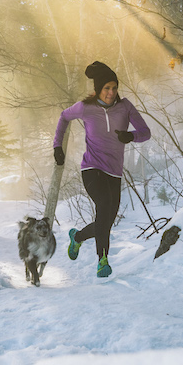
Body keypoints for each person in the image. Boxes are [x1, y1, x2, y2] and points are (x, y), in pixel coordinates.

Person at [53, 61, 151, 278]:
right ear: (98, 89)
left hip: (114, 172)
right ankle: (102, 261)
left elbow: (145, 132)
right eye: (107, 88)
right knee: (104, 205)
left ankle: (77, 237)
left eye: (114, 88)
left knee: (106, 219)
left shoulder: (125, 107)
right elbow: (64, 117)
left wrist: (131, 136)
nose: (111, 92)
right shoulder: (85, 108)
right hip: (91, 167)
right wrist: (57, 146)